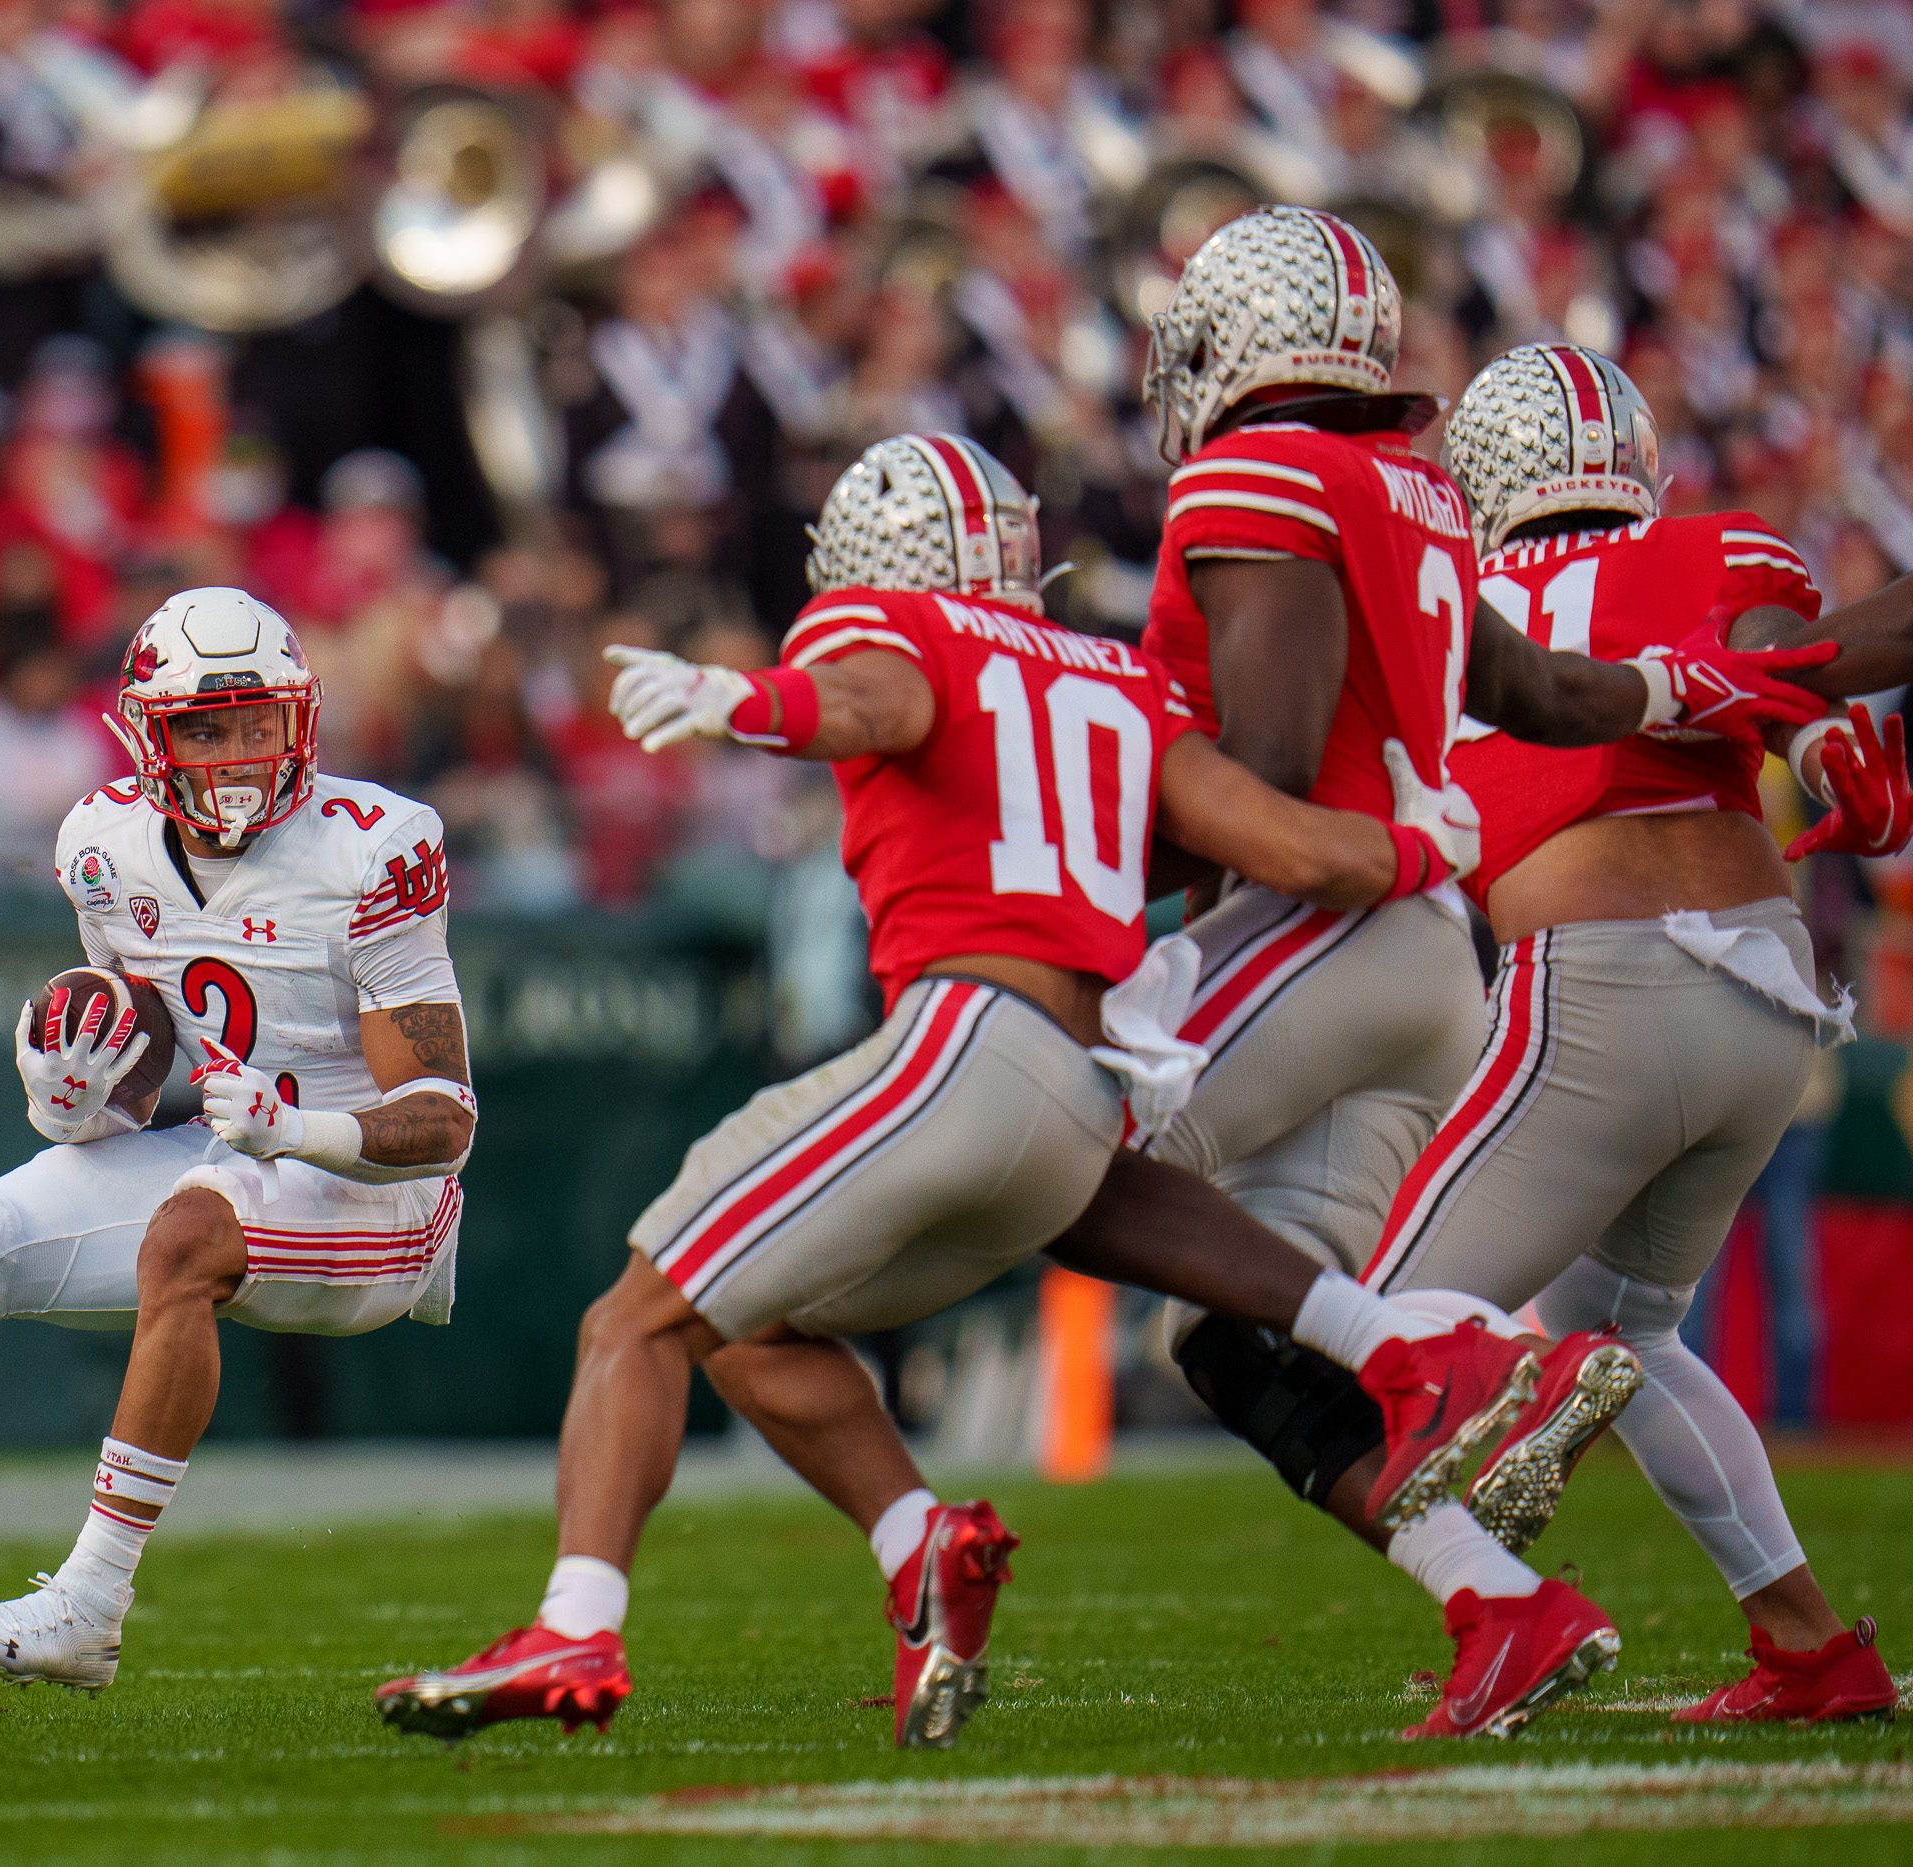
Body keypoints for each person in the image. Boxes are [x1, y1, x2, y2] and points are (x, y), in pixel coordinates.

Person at [373, 434, 1608, 1750]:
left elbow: (870, 703)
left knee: (633, 1316)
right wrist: (1430, 837)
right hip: (1082, 1099)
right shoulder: (1124, 680)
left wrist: (752, 701)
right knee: (748, 1321)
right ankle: (934, 1538)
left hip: (964, 1048)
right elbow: (1290, 844)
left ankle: (577, 1618)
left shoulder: (893, 629)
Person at [1042, 206, 1834, 1738]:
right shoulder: (1437, 494)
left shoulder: (1265, 472)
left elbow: (1272, 782)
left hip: (1422, 942)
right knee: (1239, 1327)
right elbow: (1569, 687)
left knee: (1038, 1156)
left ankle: (1473, 1360)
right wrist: (1736, 697)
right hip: (1588, 978)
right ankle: (1530, 1606)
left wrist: (1063, 808)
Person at [1355, 343, 1901, 1725]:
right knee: (1632, 1319)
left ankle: (1511, 1566)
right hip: (1770, 991)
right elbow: (1785, 674)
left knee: (1365, 1328)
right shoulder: (1725, 548)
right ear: (1637, 461)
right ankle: (1809, 1645)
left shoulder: (1454, 594)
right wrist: (1830, 747)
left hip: (1596, 980)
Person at [0, 587, 479, 1725]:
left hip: (377, 1189)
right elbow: (156, 1060)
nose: (233, 753)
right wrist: (79, 1096)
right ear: (146, 732)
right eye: (203, 728)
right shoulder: (101, 843)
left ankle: (90, 1601)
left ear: (300, 723)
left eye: (256, 722)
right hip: (226, 1149)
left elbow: (443, 1115)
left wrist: (299, 1128)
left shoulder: (375, 845)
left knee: (191, 1229)